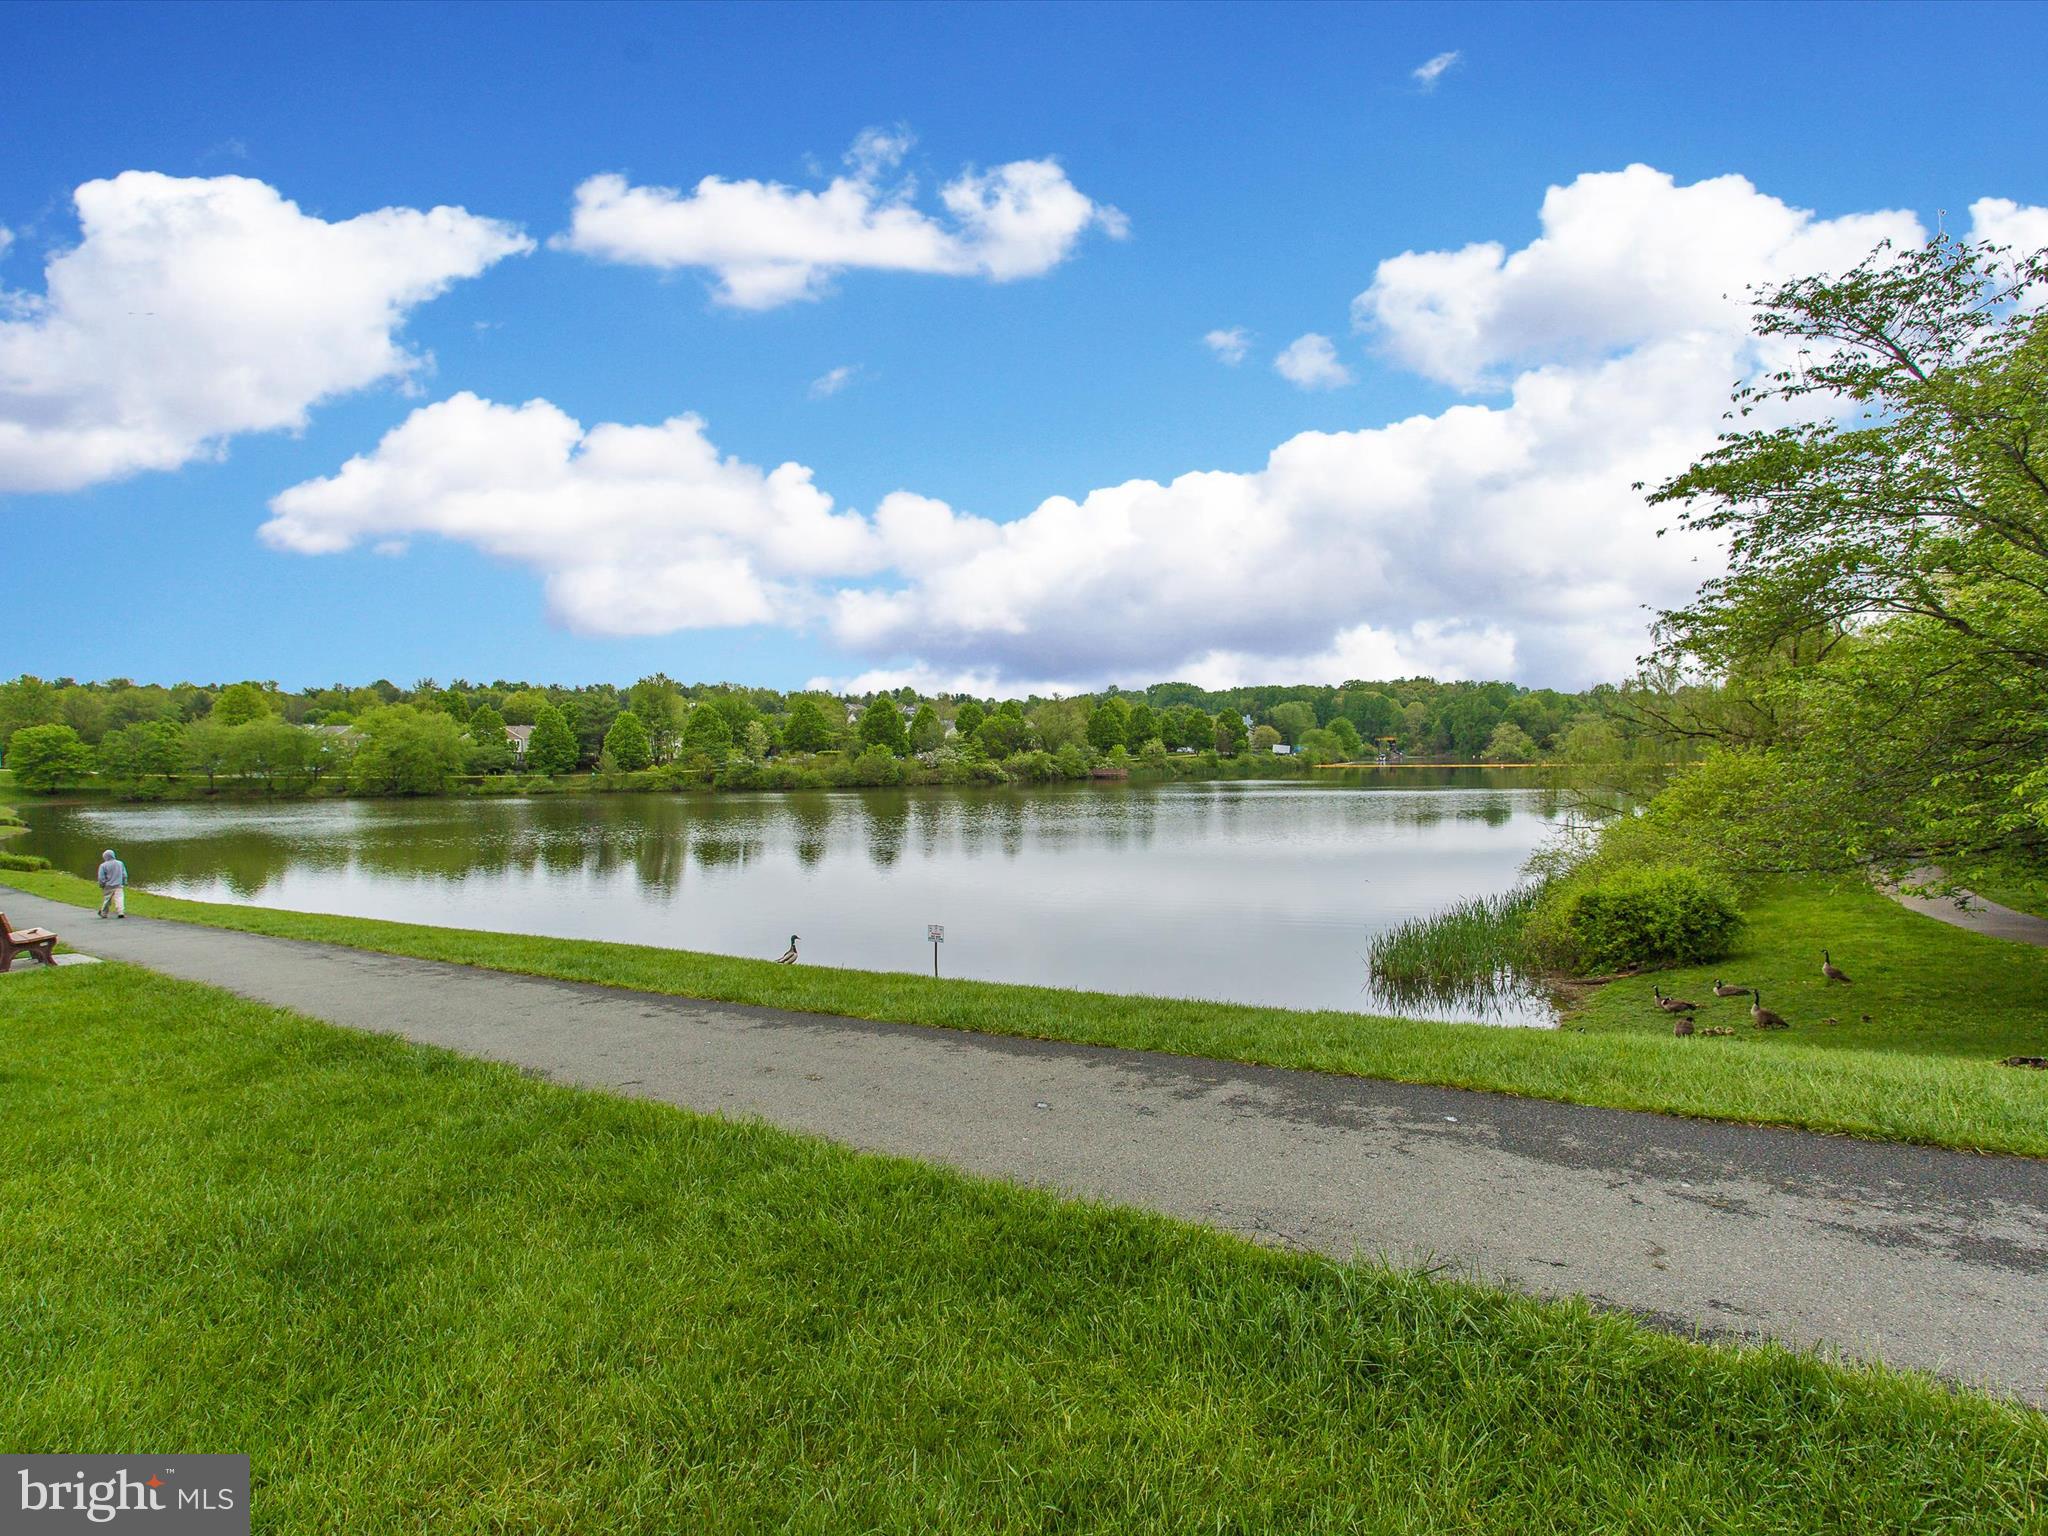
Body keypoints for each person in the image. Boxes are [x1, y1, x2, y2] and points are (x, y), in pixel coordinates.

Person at [96, 848, 128, 918]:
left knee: (107, 900)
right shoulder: (120, 863)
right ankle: (120, 912)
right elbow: (124, 874)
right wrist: (124, 882)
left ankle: (104, 913)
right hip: (119, 885)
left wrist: (102, 884)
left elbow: (101, 877)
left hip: (108, 886)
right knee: (119, 898)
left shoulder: (103, 865)